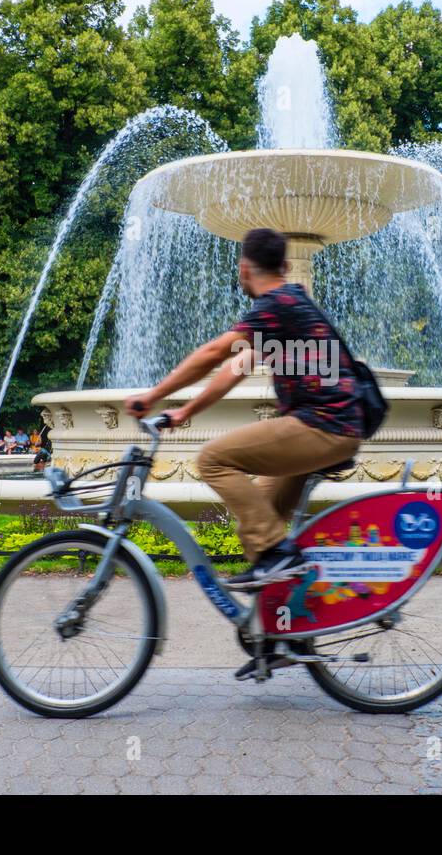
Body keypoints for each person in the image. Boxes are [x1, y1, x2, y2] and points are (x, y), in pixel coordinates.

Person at [125, 227, 363, 587]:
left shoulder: (277, 304)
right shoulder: (290, 305)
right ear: (284, 266)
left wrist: (152, 396)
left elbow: (213, 354)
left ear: (244, 269)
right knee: (258, 524)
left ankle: (279, 557)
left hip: (323, 425)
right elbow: (234, 369)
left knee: (213, 460)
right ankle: (288, 613)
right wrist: (185, 412)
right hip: (332, 426)